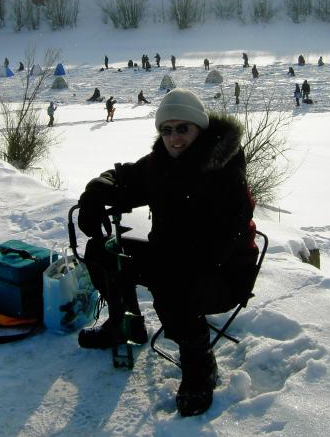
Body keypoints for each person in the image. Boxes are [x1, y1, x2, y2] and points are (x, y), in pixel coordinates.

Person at [76, 88, 255, 417]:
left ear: (199, 128)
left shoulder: (224, 174)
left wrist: (166, 266)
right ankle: (123, 323)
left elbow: (218, 246)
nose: (174, 138)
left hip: (222, 273)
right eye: (166, 129)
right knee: (102, 250)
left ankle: (200, 365)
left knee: (175, 288)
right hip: (170, 260)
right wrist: (96, 191)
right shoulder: (162, 163)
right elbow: (125, 177)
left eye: (183, 128)